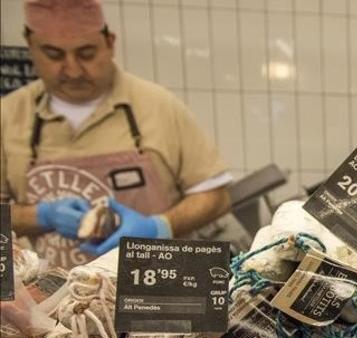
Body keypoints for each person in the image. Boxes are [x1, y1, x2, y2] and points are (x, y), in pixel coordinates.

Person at [0, 0, 232, 269]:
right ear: (31, 46)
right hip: (45, 299)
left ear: (109, 43)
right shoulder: (8, 115)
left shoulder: (158, 105)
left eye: (86, 53)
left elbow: (217, 197)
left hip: (156, 293)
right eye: (53, 55)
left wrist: (158, 227)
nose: (73, 69)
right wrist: (41, 216)